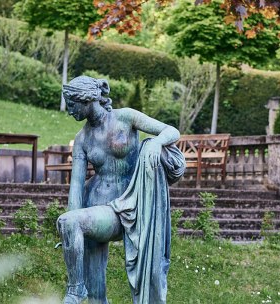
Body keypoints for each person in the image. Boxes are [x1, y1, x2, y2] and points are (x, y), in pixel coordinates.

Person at [57, 76, 184, 304]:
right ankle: (77, 290)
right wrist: (69, 228)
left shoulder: (125, 117)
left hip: (130, 204)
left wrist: (156, 143)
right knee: (95, 295)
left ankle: (75, 291)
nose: (70, 111)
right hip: (98, 208)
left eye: (72, 104)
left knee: (71, 223)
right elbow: (75, 186)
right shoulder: (82, 139)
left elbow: (171, 131)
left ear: (86, 99)